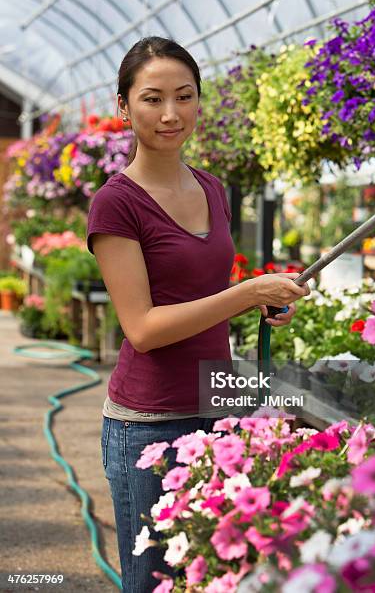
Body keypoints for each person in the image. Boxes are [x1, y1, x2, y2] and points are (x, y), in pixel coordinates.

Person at [86, 36, 310, 592]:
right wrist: (245, 295)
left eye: (184, 97)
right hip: (151, 424)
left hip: (219, 404)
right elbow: (143, 327)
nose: (170, 114)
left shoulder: (211, 188)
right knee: (155, 583)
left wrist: (264, 304)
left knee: (219, 579)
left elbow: (204, 290)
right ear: (123, 106)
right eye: (152, 98)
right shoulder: (117, 202)